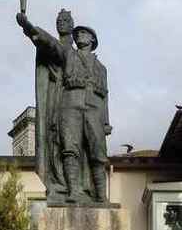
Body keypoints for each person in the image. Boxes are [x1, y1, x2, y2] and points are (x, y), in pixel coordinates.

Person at [17, 11, 111, 204]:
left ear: (92, 39)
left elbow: (105, 97)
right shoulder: (68, 53)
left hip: (94, 108)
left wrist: (106, 122)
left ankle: (101, 196)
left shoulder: (102, 68)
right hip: (70, 104)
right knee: (70, 148)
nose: (79, 36)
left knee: (97, 153)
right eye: (78, 34)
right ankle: (73, 191)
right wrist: (29, 27)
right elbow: (49, 42)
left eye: (84, 33)